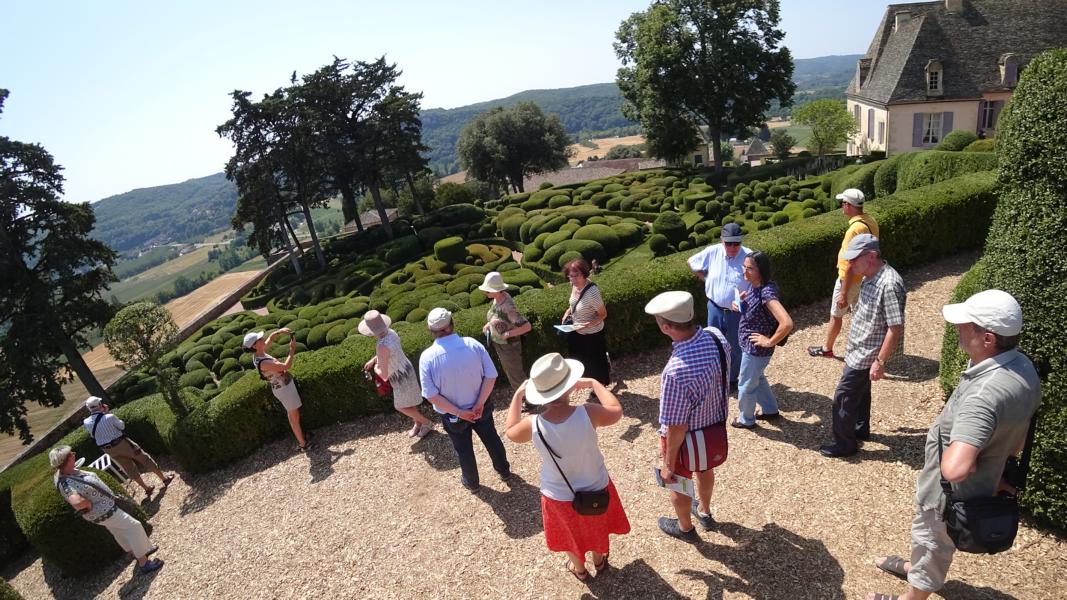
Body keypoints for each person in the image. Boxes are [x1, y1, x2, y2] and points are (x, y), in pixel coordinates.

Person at [868, 290, 1040, 600]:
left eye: (965, 324)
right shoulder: (1022, 367)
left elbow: (955, 468)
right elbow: (1021, 431)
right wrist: (996, 467)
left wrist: (967, 454)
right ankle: (915, 569)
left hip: (947, 497)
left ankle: (913, 595)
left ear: (987, 338)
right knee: (932, 542)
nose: (957, 328)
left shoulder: (983, 395)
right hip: (980, 487)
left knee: (933, 539)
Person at [503, 353, 631, 581]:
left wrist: (517, 395)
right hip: (596, 485)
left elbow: (510, 430)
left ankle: (580, 571)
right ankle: (600, 562)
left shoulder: (533, 424)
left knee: (570, 535)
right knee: (596, 525)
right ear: (571, 386)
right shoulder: (588, 412)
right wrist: (594, 383)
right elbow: (616, 410)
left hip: (558, 494)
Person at [645, 291, 730, 540]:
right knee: (705, 470)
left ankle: (685, 528)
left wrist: (668, 465)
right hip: (713, 429)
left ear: (666, 327)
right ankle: (704, 511)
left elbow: (676, 426)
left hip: (685, 440)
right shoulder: (717, 338)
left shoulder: (675, 372)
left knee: (677, 482)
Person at [820, 234, 905, 458]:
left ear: (871, 256)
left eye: (854, 258)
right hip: (860, 348)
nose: (850, 263)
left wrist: (880, 361)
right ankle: (860, 430)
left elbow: (895, 327)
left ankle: (845, 444)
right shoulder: (869, 275)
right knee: (861, 392)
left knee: (844, 395)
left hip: (867, 353)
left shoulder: (888, 283)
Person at [419, 307, 510, 492]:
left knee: (463, 449)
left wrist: (460, 412)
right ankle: (504, 471)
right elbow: (491, 376)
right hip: (480, 408)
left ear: (431, 331)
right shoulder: (472, 344)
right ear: (452, 324)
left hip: (454, 416)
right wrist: (479, 404)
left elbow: (431, 395)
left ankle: (472, 482)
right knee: (492, 439)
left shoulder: (427, 357)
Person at [50, 445, 164, 575]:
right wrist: (86, 503)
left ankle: (137, 551)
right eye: (72, 454)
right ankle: (144, 563)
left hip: (103, 510)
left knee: (119, 531)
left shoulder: (66, 472)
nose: (74, 454)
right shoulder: (66, 483)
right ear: (67, 459)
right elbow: (77, 502)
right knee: (134, 526)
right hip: (104, 511)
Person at [808, 188, 879, 359]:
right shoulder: (870, 220)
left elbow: (849, 264)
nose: (841, 206)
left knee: (836, 314)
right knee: (861, 314)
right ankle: (866, 347)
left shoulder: (853, 230)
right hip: (865, 276)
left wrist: (843, 292)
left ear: (848, 205)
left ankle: (827, 349)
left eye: (843, 203)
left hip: (850, 280)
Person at [730, 251, 794, 429]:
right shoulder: (755, 285)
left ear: (761, 270)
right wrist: (740, 305)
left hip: (756, 350)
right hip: (750, 347)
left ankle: (746, 419)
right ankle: (770, 409)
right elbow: (757, 312)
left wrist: (770, 341)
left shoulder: (766, 293)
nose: (745, 271)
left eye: (750, 268)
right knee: (757, 378)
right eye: (744, 266)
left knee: (746, 385)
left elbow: (787, 323)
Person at [687, 222, 750, 389]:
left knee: (736, 347)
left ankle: (731, 380)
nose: (732, 247)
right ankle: (717, 377)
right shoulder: (712, 251)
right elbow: (692, 262)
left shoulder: (749, 256)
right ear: (722, 240)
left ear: (741, 241)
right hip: (714, 309)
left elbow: (759, 283)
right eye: (729, 243)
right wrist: (707, 280)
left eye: (736, 243)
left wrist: (747, 298)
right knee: (714, 345)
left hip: (737, 312)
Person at [359, 310, 434, 438]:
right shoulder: (391, 332)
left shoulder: (381, 346)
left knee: (400, 406)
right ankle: (418, 422)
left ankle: (427, 423)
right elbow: (389, 352)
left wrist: (376, 368)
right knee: (409, 401)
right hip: (406, 368)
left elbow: (383, 375)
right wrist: (374, 359)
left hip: (398, 377)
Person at [82, 396, 173, 498]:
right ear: (100, 405)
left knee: (128, 468)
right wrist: (107, 413)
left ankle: (146, 488)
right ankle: (164, 479)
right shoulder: (109, 417)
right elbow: (122, 426)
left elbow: (93, 435)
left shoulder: (86, 422)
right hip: (122, 444)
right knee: (144, 459)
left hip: (108, 450)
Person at [243, 328, 311, 452]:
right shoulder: (262, 362)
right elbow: (286, 366)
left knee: (293, 414)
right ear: (254, 345)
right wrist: (292, 349)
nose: (263, 339)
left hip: (285, 386)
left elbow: (270, 340)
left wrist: (279, 332)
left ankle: (302, 436)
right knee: (293, 416)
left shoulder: (258, 353)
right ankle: (303, 444)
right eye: (259, 339)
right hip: (284, 390)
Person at [479, 272, 532, 395]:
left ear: (497, 290)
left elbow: (526, 326)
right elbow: (498, 316)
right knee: (512, 373)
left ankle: (529, 400)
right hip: (501, 344)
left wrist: (508, 334)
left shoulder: (507, 307)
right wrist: (489, 324)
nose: (485, 292)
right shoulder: (499, 298)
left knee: (516, 375)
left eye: (488, 290)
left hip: (508, 347)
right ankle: (525, 397)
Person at [561, 258, 610, 385]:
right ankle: (591, 380)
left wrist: (588, 325)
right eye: (570, 276)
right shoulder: (574, 285)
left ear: (584, 273)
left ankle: (601, 384)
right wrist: (568, 312)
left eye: (576, 276)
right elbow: (574, 304)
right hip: (577, 331)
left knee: (596, 361)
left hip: (593, 333)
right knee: (583, 359)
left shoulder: (592, 292)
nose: (573, 280)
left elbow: (603, 314)